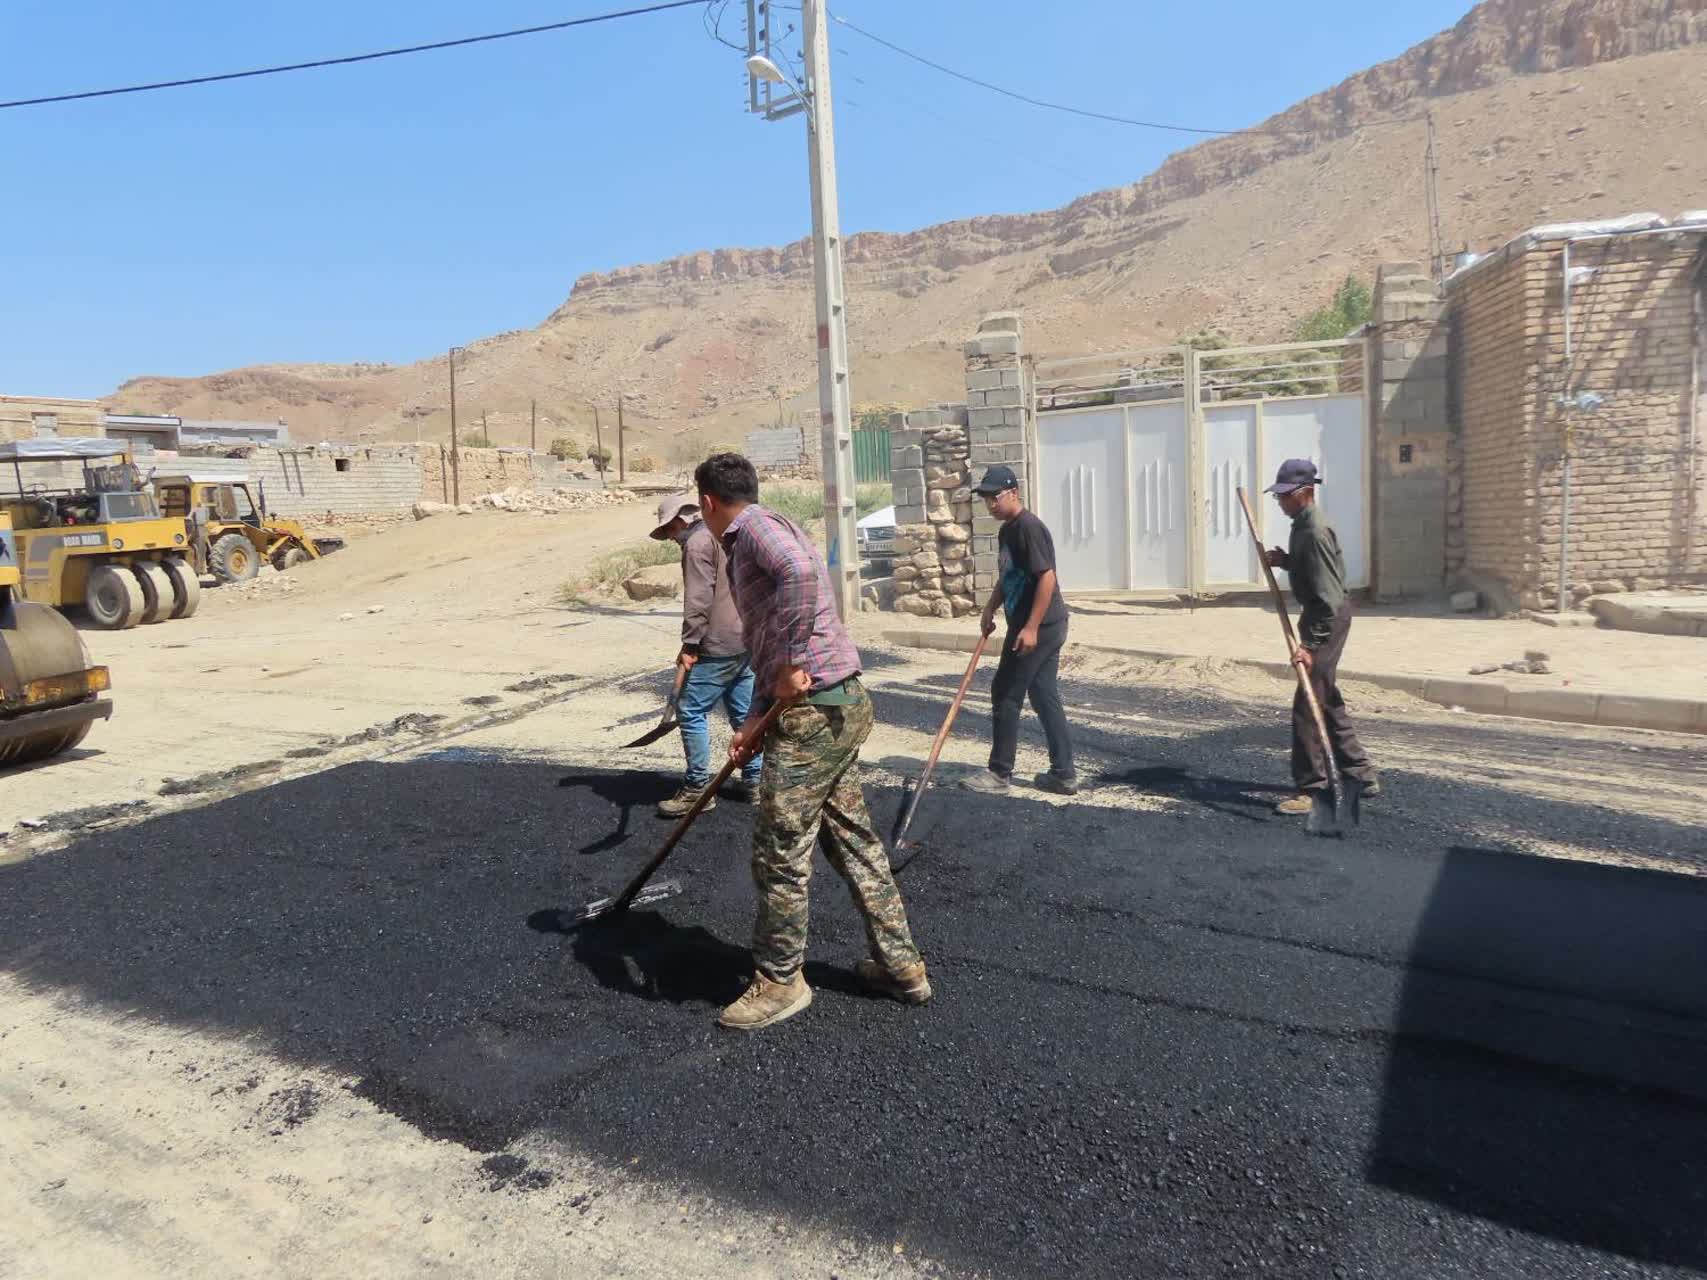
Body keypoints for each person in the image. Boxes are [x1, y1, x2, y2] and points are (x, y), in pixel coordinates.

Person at [694, 452, 929, 1032]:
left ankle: (780, 980)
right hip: (836, 706)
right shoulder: (769, 526)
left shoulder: (751, 533)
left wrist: (793, 662)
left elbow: (800, 579)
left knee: (778, 850)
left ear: (706, 502)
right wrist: (752, 724)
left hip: (813, 716)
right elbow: (766, 646)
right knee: (853, 842)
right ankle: (902, 967)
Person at [1262, 458, 1381, 814]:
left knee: (1307, 706)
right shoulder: (1302, 524)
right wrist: (1285, 561)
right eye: (1278, 496)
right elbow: (1313, 570)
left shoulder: (1314, 530)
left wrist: (1310, 645)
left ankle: (1312, 789)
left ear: (1305, 493)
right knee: (1326, 698)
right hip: (1323, 617)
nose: (1280, 502)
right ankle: (1359, 773)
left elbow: (1328, 595)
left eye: (1285, 496)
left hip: (1325, 621)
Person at [964, 464, 1077, 796]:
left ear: (1013, 493)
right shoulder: (1008, 530)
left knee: (1005, 693)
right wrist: (989, 607)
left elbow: (1047, 577)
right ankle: (1063, 774)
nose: (990, 505)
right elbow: (1010, 576)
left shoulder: (1028, 527)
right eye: (986, 499)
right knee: (1043, 695)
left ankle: (999, 774)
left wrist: (1029, 628)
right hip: (1044, 624)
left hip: (1038, 627)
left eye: (994, 497)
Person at [647, 492, 762, 817]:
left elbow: (697, 600)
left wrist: (690, 644)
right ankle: (755, 782)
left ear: (678, 521)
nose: (670, 538)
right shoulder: (725, 534)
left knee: (691, 711)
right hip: (745, 638)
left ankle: (698, 788)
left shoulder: (696, 544)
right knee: (743, 714)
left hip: (718, 643)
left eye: (668, 531)